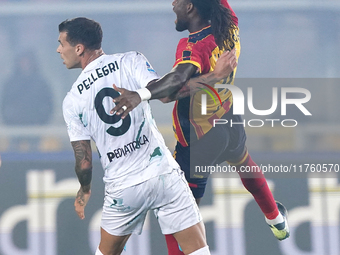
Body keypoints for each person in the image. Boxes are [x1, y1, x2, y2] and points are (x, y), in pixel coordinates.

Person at [110, 0, 290, 254]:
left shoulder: (193, 46)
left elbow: (174, 84)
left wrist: (139, 95)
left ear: (191, 7)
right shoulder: (229, 23)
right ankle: (276, 220)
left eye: (178, 1)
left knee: (178, 211)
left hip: (199, 140)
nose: (173, 5)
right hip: (229, 119)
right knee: (244, 161)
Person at [57, 17, 236, 255]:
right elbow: (167, 93)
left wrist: (85, 188)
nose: (59, 49)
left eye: (61, 43)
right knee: (198, 251)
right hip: (162, 173)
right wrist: (213, 77)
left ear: (78, 48)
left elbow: (85, 161)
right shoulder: (131, 60)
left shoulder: (72, 100)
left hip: (123, 187)